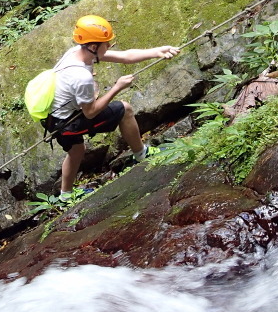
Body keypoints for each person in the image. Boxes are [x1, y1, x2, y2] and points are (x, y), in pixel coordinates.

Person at [46, 15, 179, 197]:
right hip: (66, 124)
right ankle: (141, 154)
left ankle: (65, 195)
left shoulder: (76, 52)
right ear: (93, 46)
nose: (109, 47)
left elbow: (125, 56)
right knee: (125, 109)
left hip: (53, 116)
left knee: (76, 151)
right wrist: (117, 87)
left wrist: (157, 51)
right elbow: (91, 112)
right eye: (106, 44)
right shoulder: (80, 76)